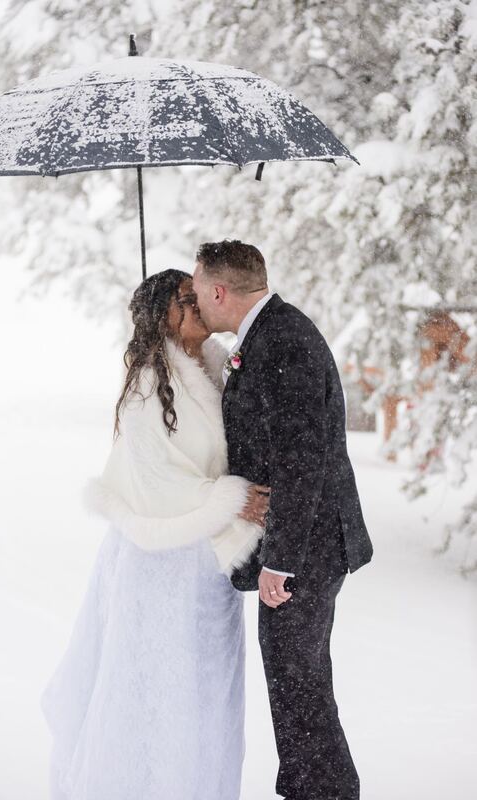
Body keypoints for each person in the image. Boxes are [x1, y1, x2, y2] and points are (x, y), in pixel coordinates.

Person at [40, 269, 268, 800]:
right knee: (156, 695)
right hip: (158, 569)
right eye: (184, 299)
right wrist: (231, 499)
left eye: (196, 294)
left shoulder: (212, 369)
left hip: (207, 572)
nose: (196, 303)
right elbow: (155, 482)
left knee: (206, 699)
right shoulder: (148, 385)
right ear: (160, 317)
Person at [192, 240, 374, 800]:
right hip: (305, 544)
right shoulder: (267, 334)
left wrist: (282, 561)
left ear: (218, 291)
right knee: (296, 687)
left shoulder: (284, 341)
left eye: (196, 290)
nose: (194, 301)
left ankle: (324, 791)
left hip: (308, 550)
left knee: (301, 689)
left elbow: (302, 459)